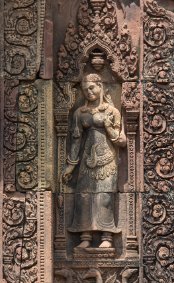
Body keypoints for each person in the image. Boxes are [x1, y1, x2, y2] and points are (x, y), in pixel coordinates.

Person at [62, 73, 126, 248]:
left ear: (100, 86)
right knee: (83, 196)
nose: (88, 92)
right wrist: (70, 166)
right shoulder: (79, 113)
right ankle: (86, 237)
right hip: (87, 160)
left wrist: (107, 125)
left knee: (105, 197)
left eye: (91, 88)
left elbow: (122, 141)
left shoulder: (112, 111)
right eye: (85, 90)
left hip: (108, 159)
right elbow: (75, 141)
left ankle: (107, 237)